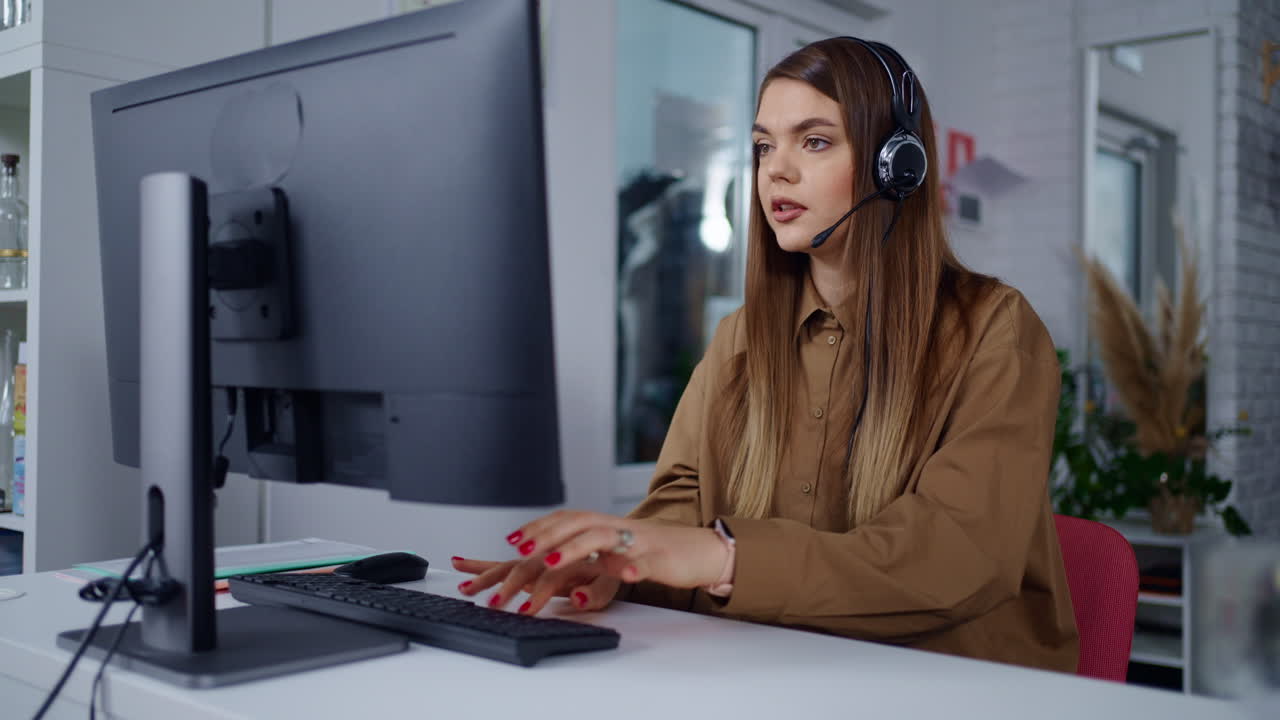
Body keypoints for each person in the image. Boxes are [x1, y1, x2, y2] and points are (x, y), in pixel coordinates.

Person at [452, 36, 1079, 673]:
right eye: (762, 145)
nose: (775, 170)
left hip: (952, 686)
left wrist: (724, 556)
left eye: (814, 141)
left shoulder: (994, 329)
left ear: (898, 165)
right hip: (776, 674)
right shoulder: (741, 338)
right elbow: (682, 501)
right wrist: (617, 560)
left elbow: (956, 552)